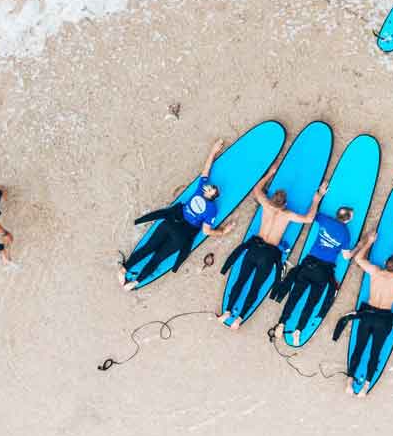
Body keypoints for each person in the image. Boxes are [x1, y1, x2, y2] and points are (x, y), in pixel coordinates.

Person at [217, 165, 328, 329]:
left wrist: (270, 173)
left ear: (272, 198)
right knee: (255, 286)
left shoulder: (266, 204)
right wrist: (317, 198)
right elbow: (309, 219)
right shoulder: (287, 214)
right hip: (269, 255)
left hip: (255, 249)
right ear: (285, 204)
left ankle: (227, 311)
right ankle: (239, 319)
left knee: (241, 281)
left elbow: (257, 189)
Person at [119, 139, 235, 290]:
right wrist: (223, 231)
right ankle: (136, 281)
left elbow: (205, 172)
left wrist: (213, 151)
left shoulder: (202, 192)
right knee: (157, 258)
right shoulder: (211, 206)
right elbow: (206, 231)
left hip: (171, 222)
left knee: (148, 248)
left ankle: (124, 269)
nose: (209, 186)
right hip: (181, 235)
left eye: (212, 188)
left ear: (212, 195)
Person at [334, 232, 393, 396]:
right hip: (383, 319)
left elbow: (359, 259)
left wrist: (369, 242)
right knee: (375, 352)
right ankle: (366, 387)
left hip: (368, 314)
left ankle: (349, 383)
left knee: (359, 348)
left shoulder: (375, 271)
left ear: (385, 263)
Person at [269, 203, 358, 343]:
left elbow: (311, 215)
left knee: (294, 296)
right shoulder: (346, 234)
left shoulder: (324, 219)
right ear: (348, 219)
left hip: (308, 265)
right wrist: (359, 246)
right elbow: (346, 256)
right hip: (324, 271)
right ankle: (298, 330)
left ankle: (281, 323)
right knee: (311, 302)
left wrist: (318, 197)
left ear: (337, 214)